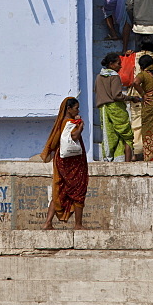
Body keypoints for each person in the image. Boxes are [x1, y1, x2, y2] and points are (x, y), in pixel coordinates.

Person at [42, 97, 88, 229]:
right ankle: (78, 224)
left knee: (59, 190)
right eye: (76, 108)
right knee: (78, 190)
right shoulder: (69, 123)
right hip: (72, 163)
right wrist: (80, 126)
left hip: (61, 161)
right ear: (69, 109)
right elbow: (75, 136)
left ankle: (48, 223)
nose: (78, 110)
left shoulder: (62, 122)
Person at [95, 52, 135, 161]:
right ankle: (126, 161)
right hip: (116, 107)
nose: (120, 66)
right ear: (111, 64)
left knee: (108, 134)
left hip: (103, 108)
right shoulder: (114, 77)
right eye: (118, 63)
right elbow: (117, 95)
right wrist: (130, 98)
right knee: (126, 135)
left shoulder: (99, 76)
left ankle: (109, 157)